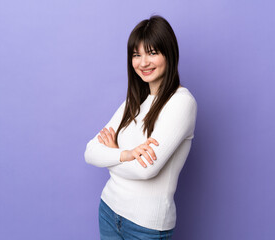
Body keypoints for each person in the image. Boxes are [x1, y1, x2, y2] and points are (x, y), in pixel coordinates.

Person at [84, 15, 197, 240]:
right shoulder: (133, 102)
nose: (143, 63)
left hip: (145, 225)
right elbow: (90, 152)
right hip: (109, 210)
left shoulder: (182, 103)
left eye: (152, 52)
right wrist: (126, 154)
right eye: (137, 55)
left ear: (170, 54)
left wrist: (111, 156)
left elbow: (146, 170)